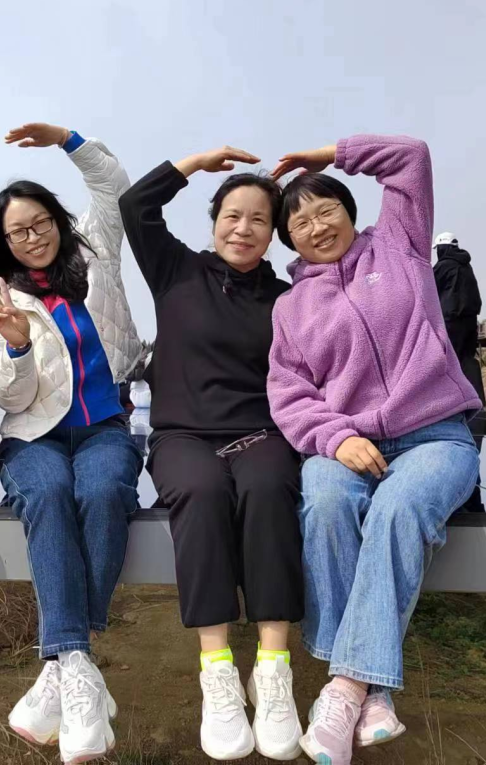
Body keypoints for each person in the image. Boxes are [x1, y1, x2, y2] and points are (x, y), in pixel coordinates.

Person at [266, 135, 482, 765]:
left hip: (436, 434)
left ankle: (345, 687)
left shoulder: (400, 244)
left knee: (397, 509)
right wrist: (338, 438)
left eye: (326, 210)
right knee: (326, 504)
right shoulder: (290, 307)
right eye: (300, 223)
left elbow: (411, 157)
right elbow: (289, 394)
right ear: (289, 240)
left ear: (349, 210)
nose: (317, 226)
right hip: (345, 443)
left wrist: (329, 155)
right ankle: (372, 693)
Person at [119, 146, 304, 761]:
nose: (243, 229)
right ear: (215, 221)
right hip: (183, 436)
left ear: (273, 233)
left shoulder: (287, 298)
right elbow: (135, 205)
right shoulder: (176, 270)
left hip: (262, 434)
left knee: (270, 490)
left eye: (259, 219)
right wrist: (196, 164)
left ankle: (273, 669)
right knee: (200, 493)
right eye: (232, 216)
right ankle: (218, 670)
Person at [0, 122, 143, 764]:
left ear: (57, 218)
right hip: (33, 436)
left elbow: (113, 184)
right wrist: (18, 346)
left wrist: (67, 140)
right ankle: (78, 664)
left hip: (104, 427)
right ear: (4, 243)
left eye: (40, 222)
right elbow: (8, 395)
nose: (32, 237)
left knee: (103, 492)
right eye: (17, 232)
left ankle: (62, 663)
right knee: (48, 493)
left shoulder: (97, 252)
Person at [432, 231, 484, 400]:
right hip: (470, 319)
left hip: (451, 319)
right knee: (467, 358)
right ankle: (477, 398)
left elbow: (429, 288)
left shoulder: (443, 266)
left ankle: (451, 399)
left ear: (442, 248)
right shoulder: (466, 265)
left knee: (449, 358)